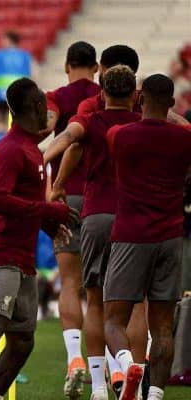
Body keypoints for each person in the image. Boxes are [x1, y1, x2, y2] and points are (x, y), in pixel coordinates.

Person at [0, 78, 76, 400]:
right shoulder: (10, 149)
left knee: (23, 340)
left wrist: (48, 224)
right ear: (36, 107)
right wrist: (49, 210)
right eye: (45, 107)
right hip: (0, 254)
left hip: (22, 257)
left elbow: (24, 203)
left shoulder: (32, 151)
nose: (48, 113)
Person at [48, 65, 141, 400]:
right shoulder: (144, 124)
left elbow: (71, 145)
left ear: (102, 93)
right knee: (134, 304)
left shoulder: (92, 121)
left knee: (94, 300)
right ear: (134, 94)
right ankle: (136, 377)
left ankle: (100, 388)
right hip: (134, 220)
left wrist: (56, 184)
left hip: (96, 214)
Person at [104, 74, 191, 400]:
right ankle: (154, 395)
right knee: (163, 327)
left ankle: (129, 368)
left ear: (140, 100)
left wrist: (149, 108)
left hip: (130, 236)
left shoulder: (119, 135)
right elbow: (183, 125)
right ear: (170, 103)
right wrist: (170, 112)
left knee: (114, 321)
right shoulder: (185, 139)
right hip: (170, 237)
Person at [40, 41, 101, 396]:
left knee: (69, 281)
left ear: (66, 66)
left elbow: (45, 125)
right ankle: (108, 367)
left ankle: (74, 358)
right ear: (95, 67)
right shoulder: (104, 96)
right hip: (102, 198)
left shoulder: (56, 97)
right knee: (101, 289)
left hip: (63, 196)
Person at [0, 30, 33, 122]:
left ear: (9, 40)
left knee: (1, 116)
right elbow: (34, 72)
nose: (1, 42)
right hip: (20, 91)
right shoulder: (25, 55)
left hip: (2, 91)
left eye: (3, 39)